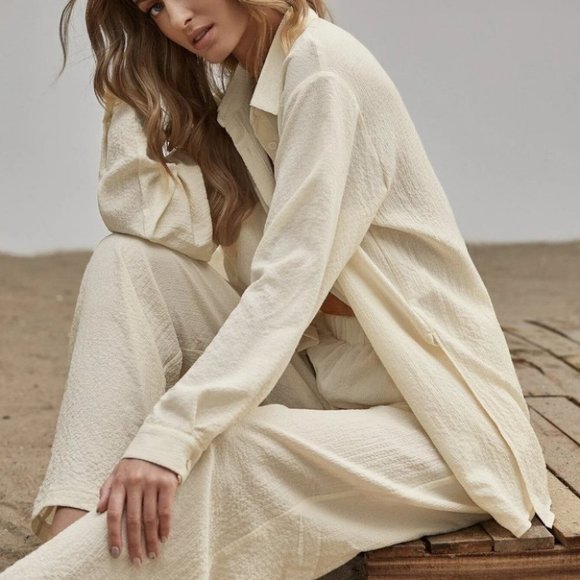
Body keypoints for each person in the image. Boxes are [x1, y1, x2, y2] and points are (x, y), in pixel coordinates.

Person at [0, 0, 554, 578]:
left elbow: (288, 284)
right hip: (330, 387)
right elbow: (143, 216)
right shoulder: (245, 95)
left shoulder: (322, 71)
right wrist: (132, 80)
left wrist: (167, 437)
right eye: (154, 8)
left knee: (236, 450)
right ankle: (70, 535)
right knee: (127, 264)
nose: (178, 18)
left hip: (440, 430)